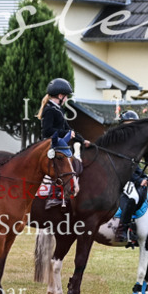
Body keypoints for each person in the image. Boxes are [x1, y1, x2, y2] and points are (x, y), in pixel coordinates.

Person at [36, 78, 90, 208]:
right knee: (60, 165)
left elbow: (68, 129)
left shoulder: (58, 109)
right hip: (51, 144)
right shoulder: (49, 110)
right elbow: (47, 131)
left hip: (59, 144)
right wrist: (64, 133)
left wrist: (82, 140)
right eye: (66, 96)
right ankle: (53, 196)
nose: (67, 99)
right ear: (60, 96)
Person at [115, 110, 148, 247]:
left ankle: (136, 229)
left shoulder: (133, 143)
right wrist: (138, 180)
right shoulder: (119, 142)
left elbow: (135, 166)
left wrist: (144, 177)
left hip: (130, 177)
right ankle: (122, 230)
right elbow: (124, 167)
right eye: (127, 124)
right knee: (133, 196)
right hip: (120, 177)